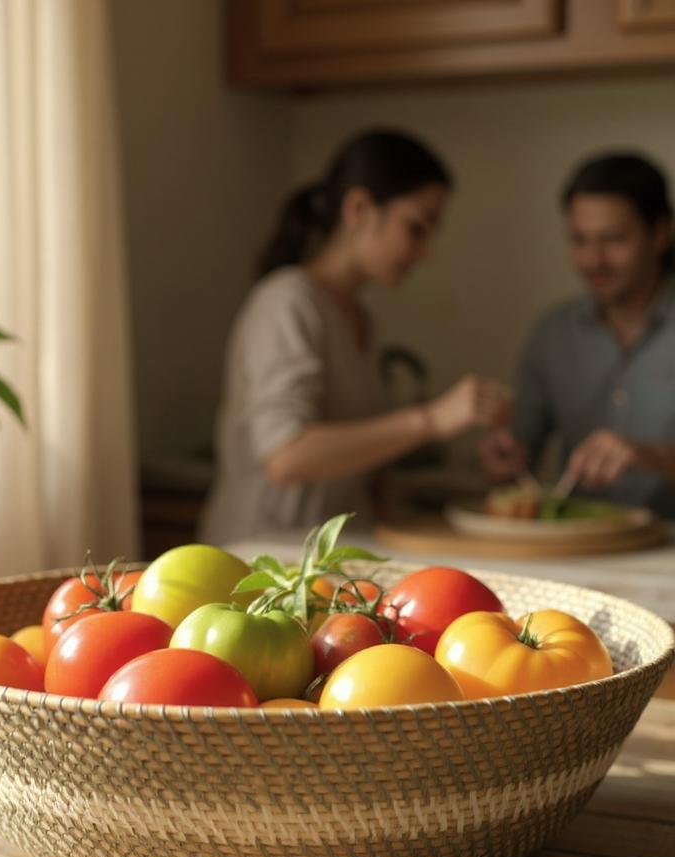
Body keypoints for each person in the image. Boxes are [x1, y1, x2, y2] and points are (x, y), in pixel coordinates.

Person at [198, 129, 508, 546]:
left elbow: (352, 462)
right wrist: (430, 420)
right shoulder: (287, 301)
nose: (426, 252)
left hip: (328, 555)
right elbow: (286, 456)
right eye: (416, 228)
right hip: (263, 558)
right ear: (360, 209)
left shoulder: (359, 317)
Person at [480, 152, 675, 516]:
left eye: (613, 240)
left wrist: (653, 456)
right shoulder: (553, 334)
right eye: (580, 240)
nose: (593, 260)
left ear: (660, 233)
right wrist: (502, 458)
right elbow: (520, 448)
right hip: (577, 550)